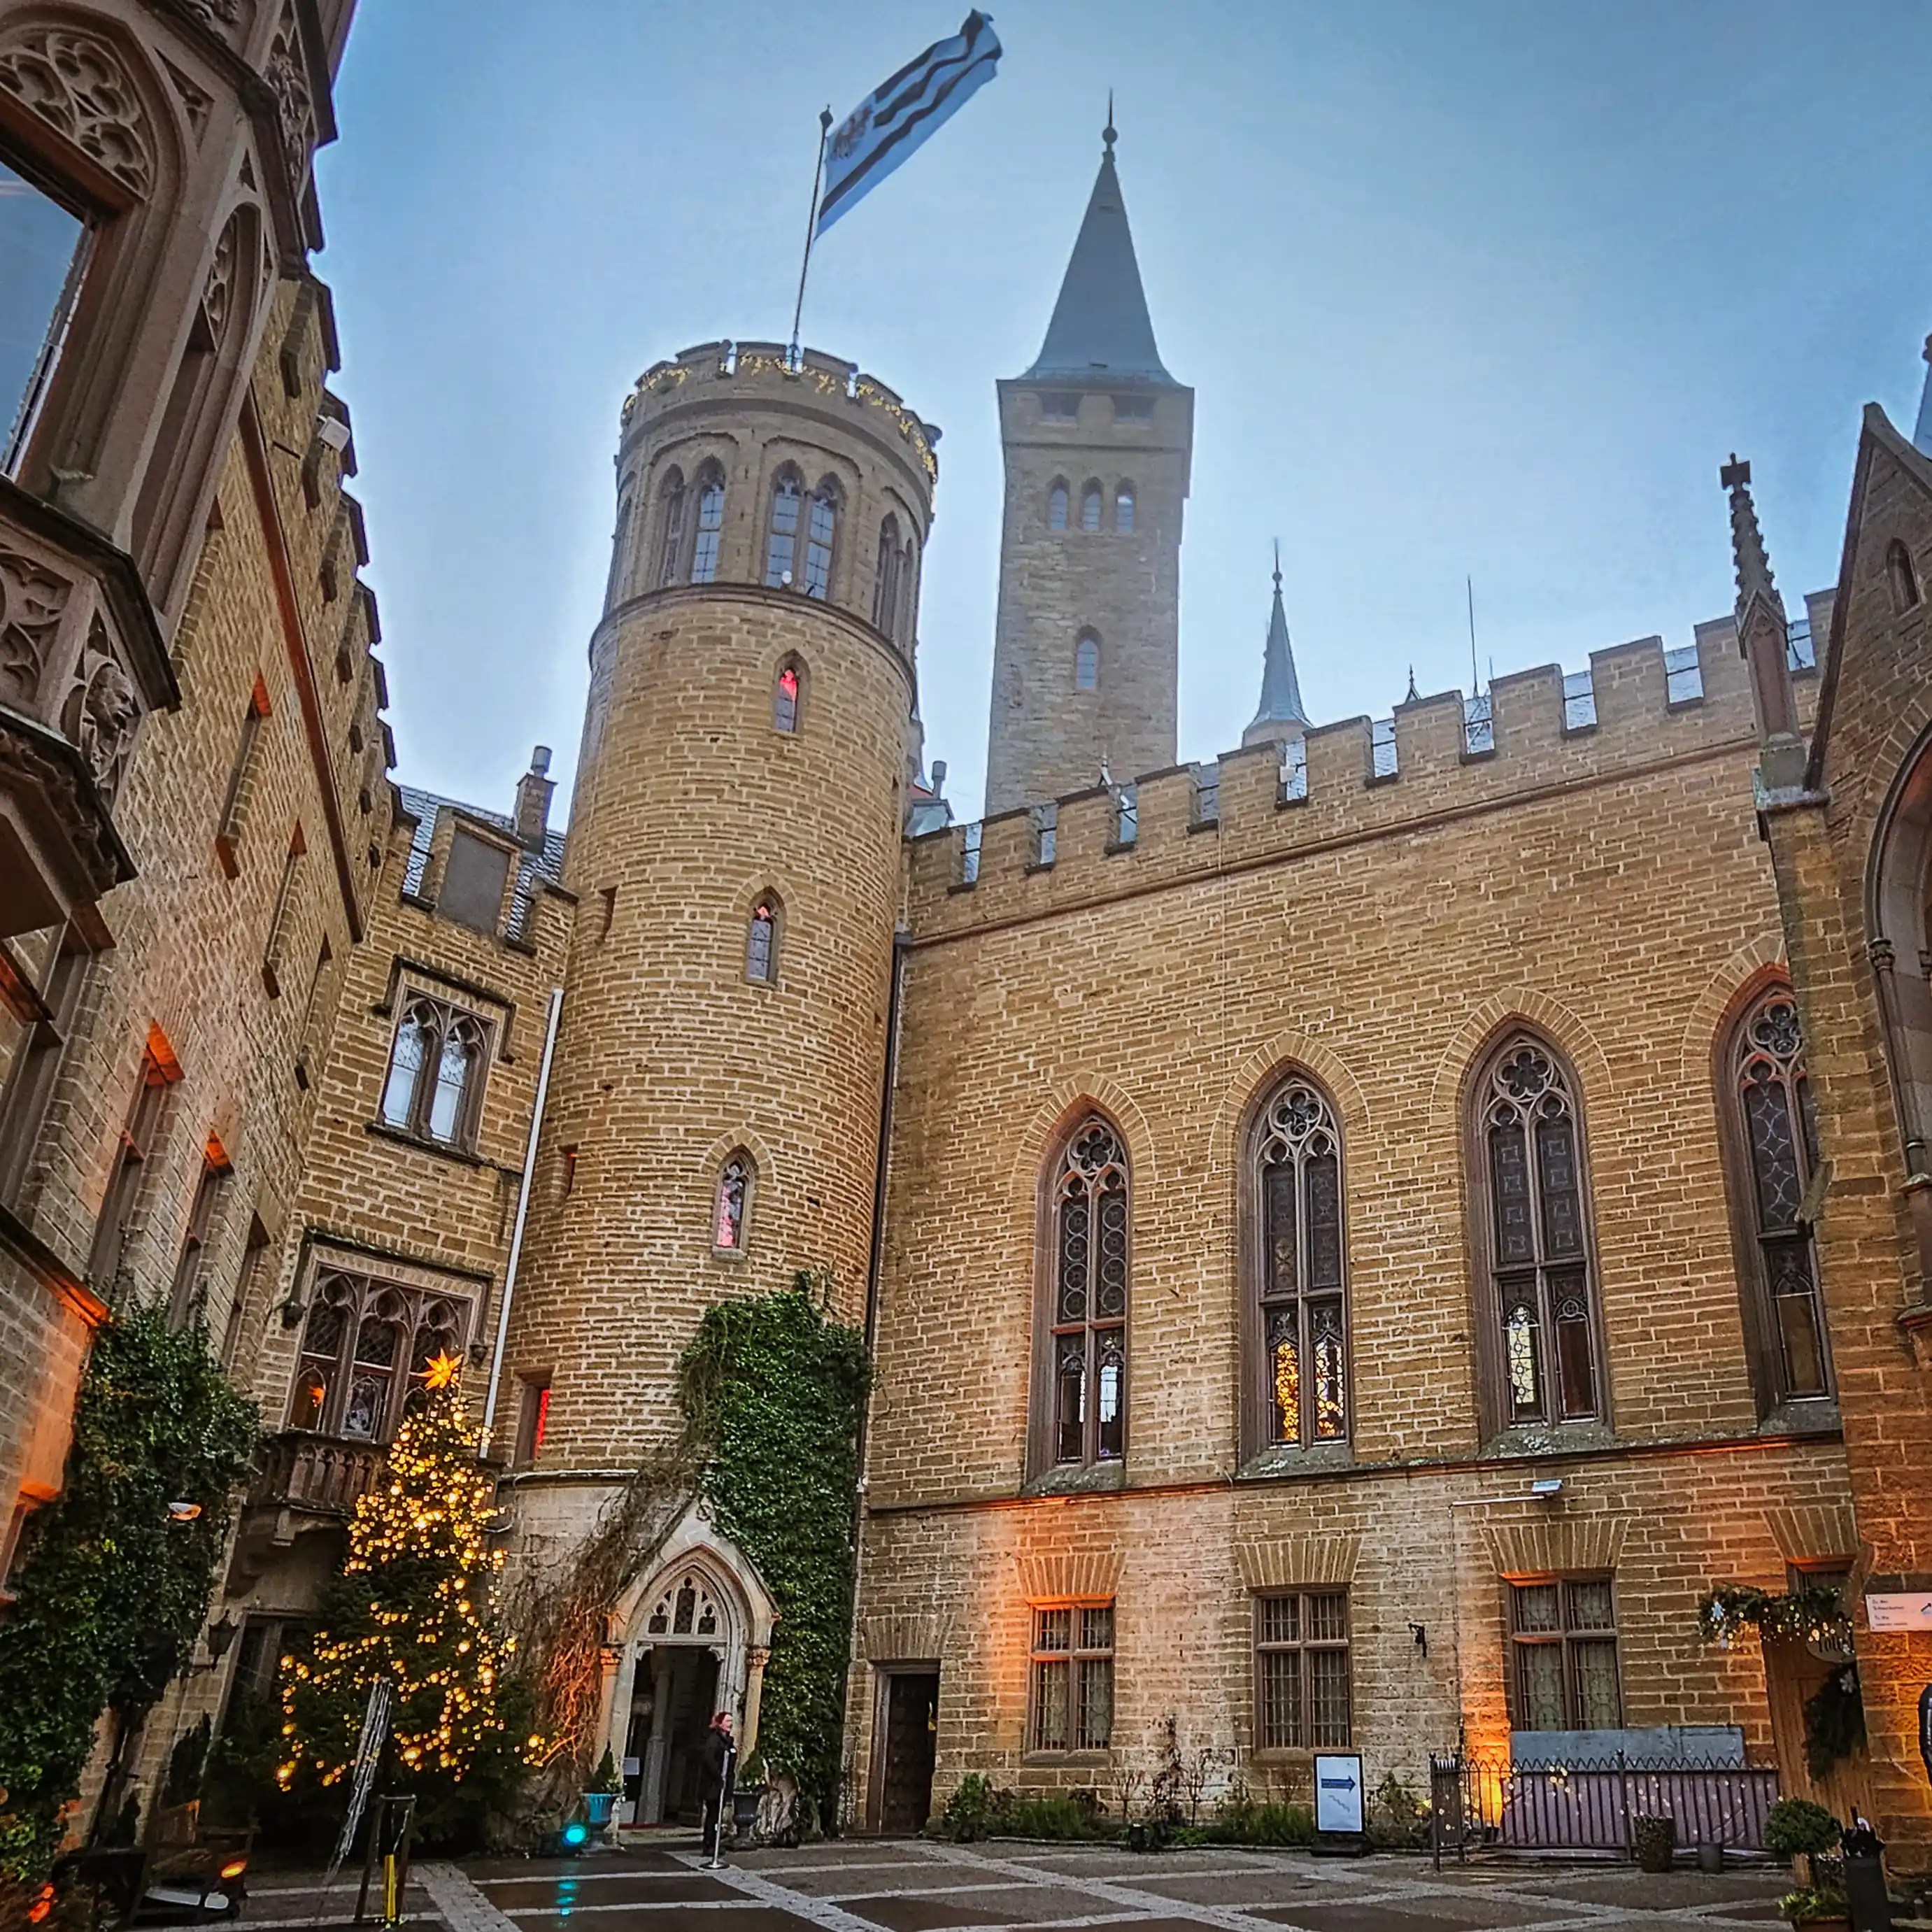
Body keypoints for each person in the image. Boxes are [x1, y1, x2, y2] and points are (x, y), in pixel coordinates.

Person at [697, 1710, 736, 1863]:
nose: (730, 1724)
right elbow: (709, 1759)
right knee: (713, 1815)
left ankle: (715, 1842)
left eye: (731, 1721)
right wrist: (719, 1775)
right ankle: (709, 1844)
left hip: (724, 1783)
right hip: (714, 1784)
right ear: (720, 1723)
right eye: (727, 1721)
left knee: (717, 1816)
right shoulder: (714, 1740)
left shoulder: (728, 1741)